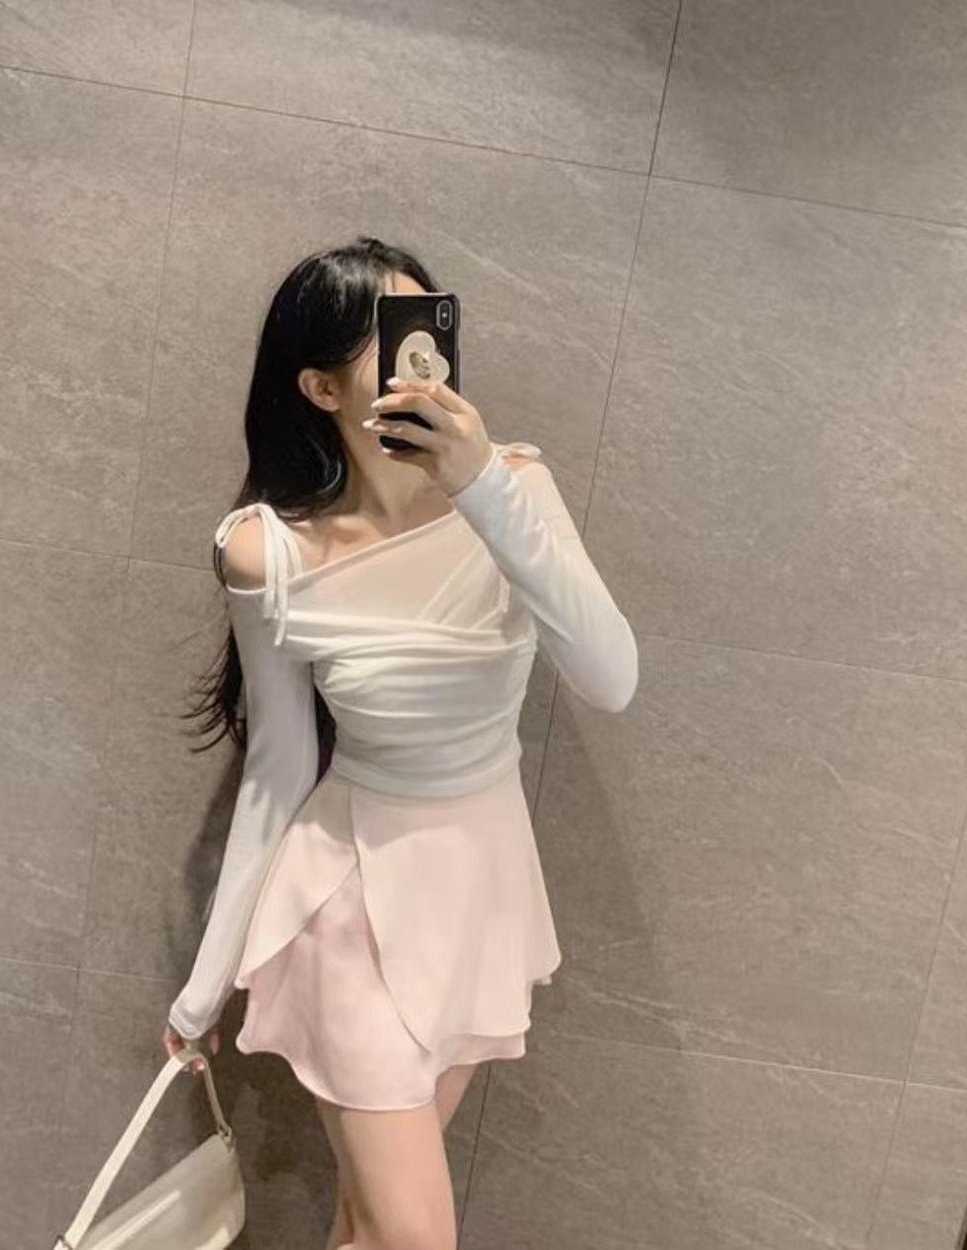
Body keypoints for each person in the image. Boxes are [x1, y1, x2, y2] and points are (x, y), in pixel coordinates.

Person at [161, 236, 638, 1250]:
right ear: (321, 386)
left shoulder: (514, 489)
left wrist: (482, 488)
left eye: (425, 321)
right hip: (351, 903)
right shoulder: (269, 552)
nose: (418, 353)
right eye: (386, 333)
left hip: (478, 898)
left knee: (369, 1227)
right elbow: (280, 765)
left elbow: (611, 677)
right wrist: (204, 987)